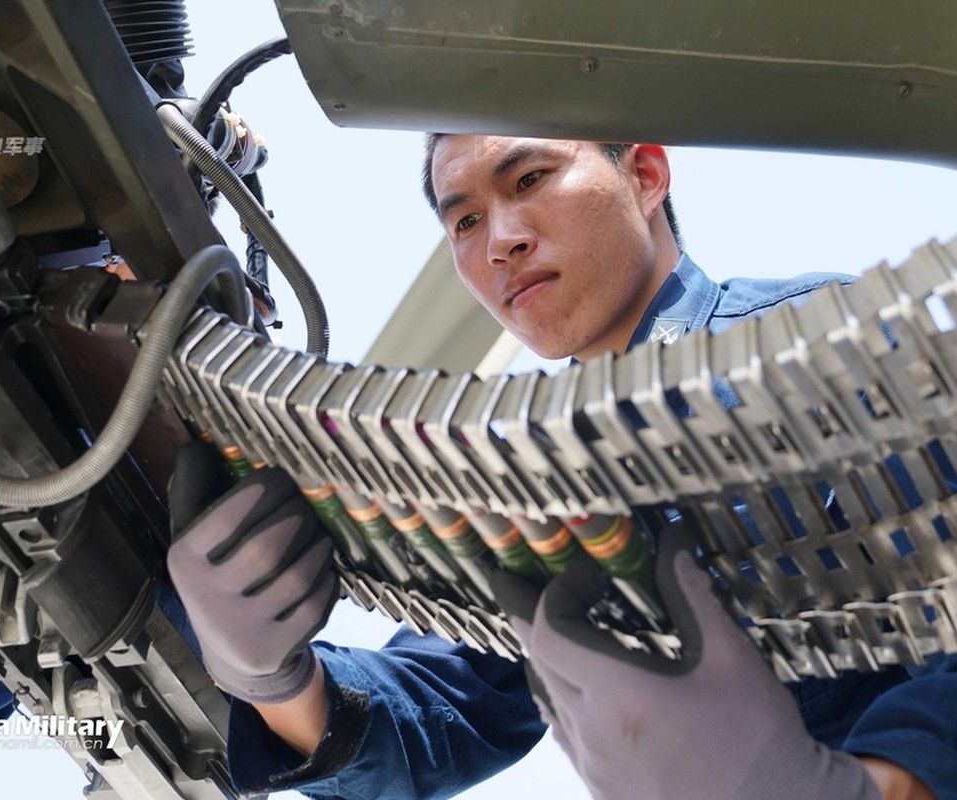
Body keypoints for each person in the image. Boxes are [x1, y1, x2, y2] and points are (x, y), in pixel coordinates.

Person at [166, 136, 956, 799]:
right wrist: (274, 682)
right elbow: (444, 714)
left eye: (530, 179)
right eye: (466, 220)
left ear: (644, 175)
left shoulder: (818, 348)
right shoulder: (529, 481)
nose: (499, 239)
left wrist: (881, 782)